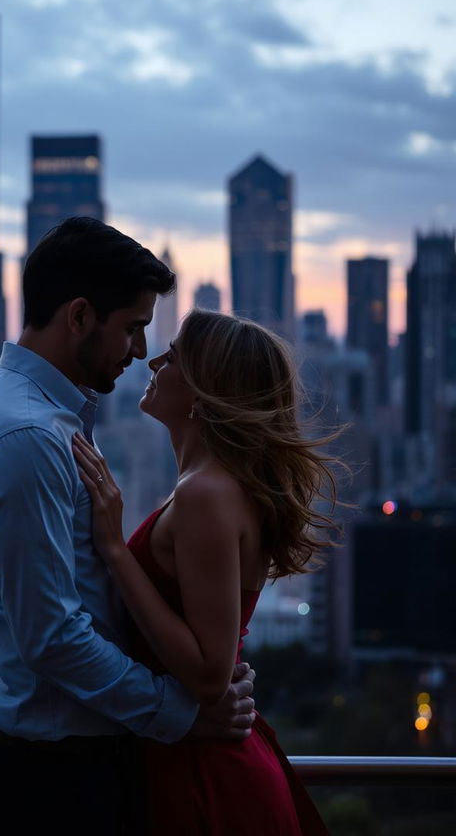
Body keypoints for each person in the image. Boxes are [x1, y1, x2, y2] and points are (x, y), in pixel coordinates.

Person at [0, 218, 256, 836]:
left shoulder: (49, 423)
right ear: (80, 316)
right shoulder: (25, 436)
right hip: (42, 783)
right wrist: (181, 712)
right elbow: (54, 635)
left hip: (64, 766)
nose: (140, 351)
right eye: (134, 328)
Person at [73, 307, 337, 835]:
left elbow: (211, 674)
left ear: (202, 392)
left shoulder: (205, 493)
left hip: (207, 775)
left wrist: (116, 550)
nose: (152, 362)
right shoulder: (211, 486)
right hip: (194, 755)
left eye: (173, 357)